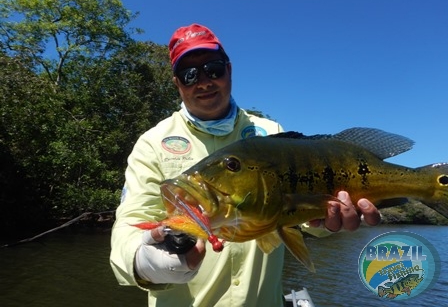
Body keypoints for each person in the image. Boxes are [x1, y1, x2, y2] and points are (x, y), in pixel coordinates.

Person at [110, 23, 381, 306]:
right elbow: (129, 224)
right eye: (189, 75)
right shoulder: (152, 143)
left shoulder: (271, 132)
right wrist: (143, 262)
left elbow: (300, 219)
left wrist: (328, 222)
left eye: (212, 69)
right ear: (177, 83)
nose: (203, 82)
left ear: (229, 70)